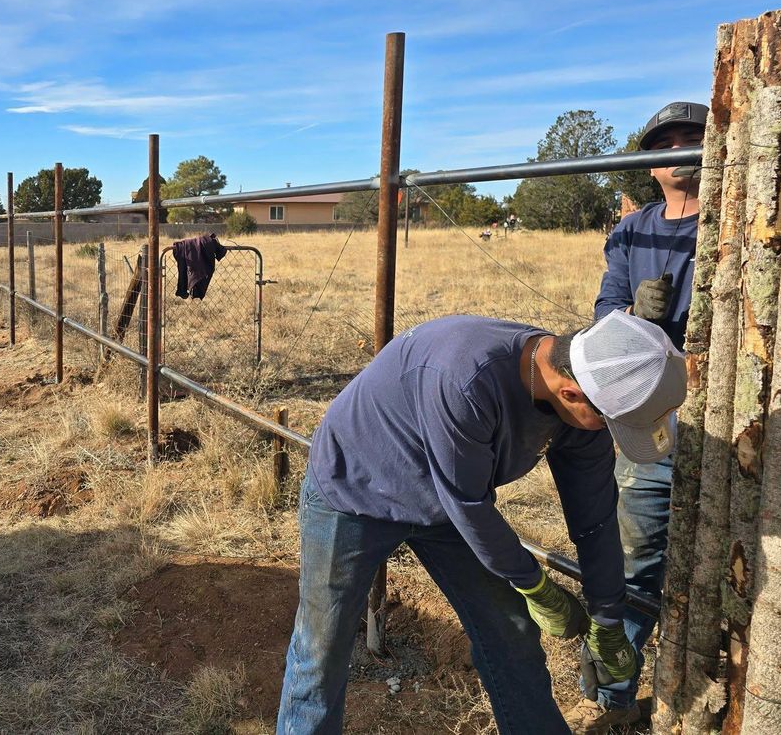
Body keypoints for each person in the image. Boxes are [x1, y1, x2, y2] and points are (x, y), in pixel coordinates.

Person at [277, 311, 687, 735]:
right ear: (570, 394)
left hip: (448, 499)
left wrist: (606, 614)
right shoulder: (466, 380)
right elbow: (468, 503)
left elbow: (595, 519)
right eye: (608, 423)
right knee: (321, 651)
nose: (606, 434)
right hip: (357, 486)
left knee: (510, 631)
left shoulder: (583, 398)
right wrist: (535, 585)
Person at [563, 100, 706, 733]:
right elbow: (605, 313)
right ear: (649, 164)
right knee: (638, 554)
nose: (679, 151)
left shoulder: (740, 219)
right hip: (653, 415)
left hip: (724, 407)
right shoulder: (631, 231)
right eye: (666, 143)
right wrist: (633, 319)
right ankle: (616, 699)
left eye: (693, 138)